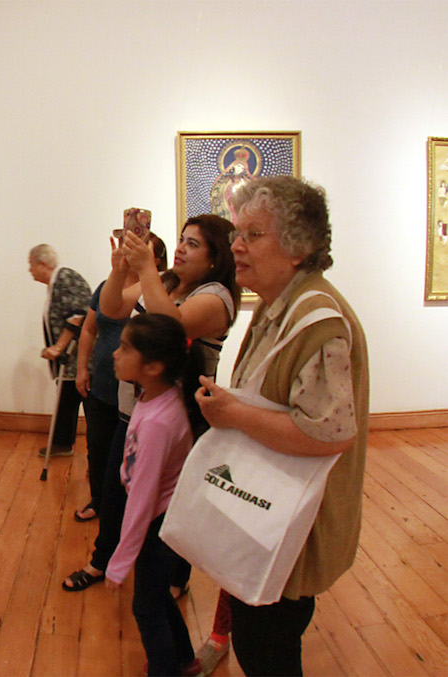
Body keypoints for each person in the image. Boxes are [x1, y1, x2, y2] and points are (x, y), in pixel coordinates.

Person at [195, 175, 369, 676]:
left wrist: (232, 414)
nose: (237, 245)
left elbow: (329, 433)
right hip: (273, 518)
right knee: (262, 642)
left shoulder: (317, 318)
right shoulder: (282, 303)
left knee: (266, 648)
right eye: (237, 233)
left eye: (253, 234)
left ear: (297, 248)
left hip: (290, 528)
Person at [62, 215, 239, 592]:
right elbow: (111, 310)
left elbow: (173, 326)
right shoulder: (167, 281)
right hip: (135, 411)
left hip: (180, 423)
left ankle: (174, 579)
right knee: (114, 494)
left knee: (170, 506)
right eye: (182, 239)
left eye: (193, 244)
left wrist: (145, 269)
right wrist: (119, 271)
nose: (180, 248)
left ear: (215, 259)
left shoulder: (217, 297)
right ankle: (102, 561)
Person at [103, 313, 200, 677]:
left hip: (157, 527)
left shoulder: (160, 421)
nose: (115, 354)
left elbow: (142, 502)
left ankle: (165, 670)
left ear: (154, 366)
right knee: (157, 597)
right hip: (163, 520)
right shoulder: (159, 396)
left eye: (125, 348)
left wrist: (119, 562)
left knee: (146, 608)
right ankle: (185, 660)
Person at [73, 234, 167, 522]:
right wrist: (82, 368)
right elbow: (89, 329)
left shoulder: (157, 292)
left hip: (136, 393)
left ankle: (126, 511)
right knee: (98, 447)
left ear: (156, 260)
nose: (130, 253)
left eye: (139, 249)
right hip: (102, 382)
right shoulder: (107, 287)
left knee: (129, 453)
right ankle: (99, 501)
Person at [28, 245, 91, 455]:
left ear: (42, 264)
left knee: (85, 402)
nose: (30, 270)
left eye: (31, 265)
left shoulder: (66, 277)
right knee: (66, 398)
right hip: (70, 359)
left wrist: (58, 347)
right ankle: (62, 444)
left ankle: (95, 452)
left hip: (80, 357)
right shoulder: (56, 283)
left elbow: (79, 314)